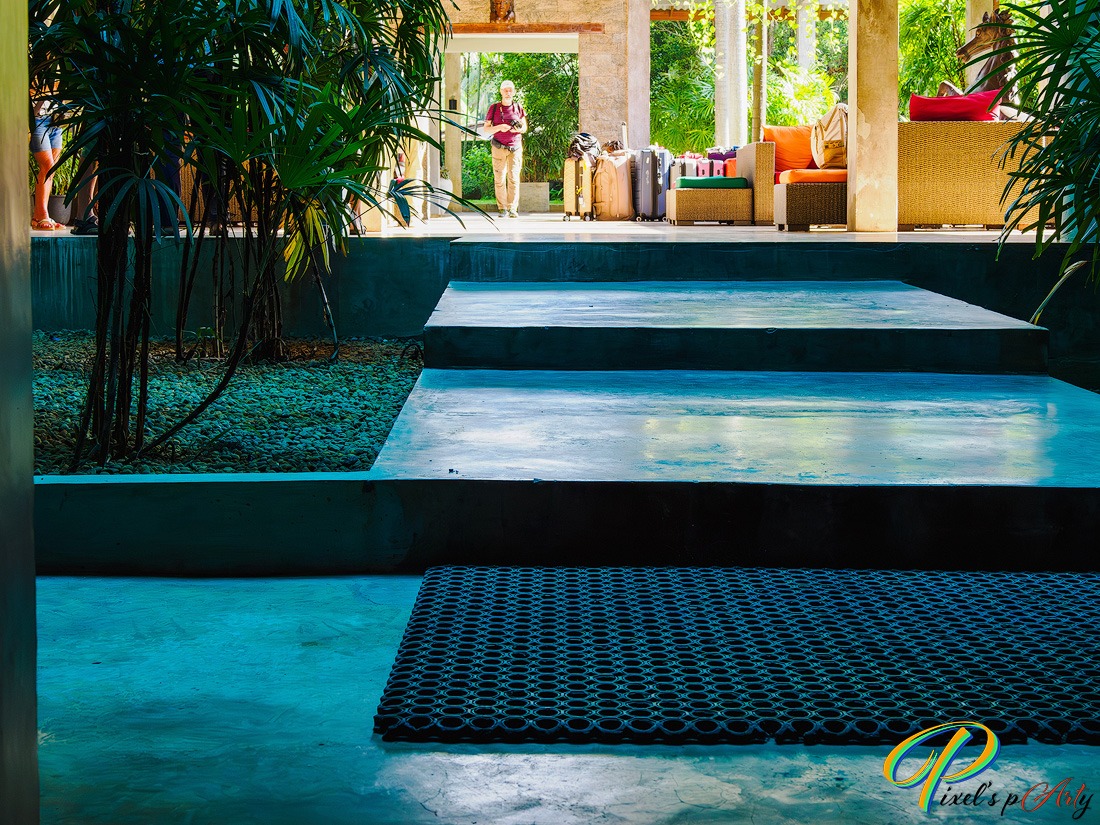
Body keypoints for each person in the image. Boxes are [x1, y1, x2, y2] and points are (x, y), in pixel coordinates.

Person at [483, 80, 527, 218]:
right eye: (505, 90)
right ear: (501, 91)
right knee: (499, 178)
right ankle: (502, 208)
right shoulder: (494, 108)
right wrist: (500, 127)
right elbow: (486, 129)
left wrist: (517, 129)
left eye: (510, 90)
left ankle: (512, 208)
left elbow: (524, 128)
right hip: (498, 147)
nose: (508, 93)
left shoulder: (518, 107)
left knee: (514, 178)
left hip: (515, 147)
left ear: (514, 92)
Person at [30, 97, 65, 230]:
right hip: (38, 120)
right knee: (47, 167)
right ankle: (43, 214)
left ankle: (38, 216)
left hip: (56, 120)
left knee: (51, 171)